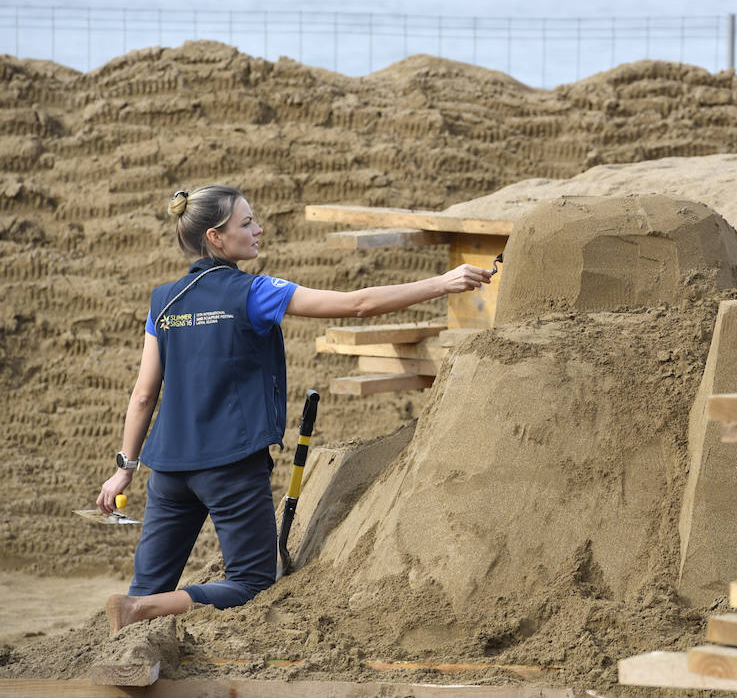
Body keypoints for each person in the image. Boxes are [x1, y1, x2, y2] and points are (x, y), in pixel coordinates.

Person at [97, 184, 492, 635]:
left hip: (167, 468)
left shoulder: (162, 301)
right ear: (216, 237)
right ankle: (144, 611)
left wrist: (124, 469)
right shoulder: (255, 292)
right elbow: (356, 304)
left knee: (145, 587)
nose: (259, 229)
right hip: (230, 464)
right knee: (250, 582)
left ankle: (137, 612)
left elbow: (144, 394)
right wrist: (443, 282)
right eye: (246, 223)